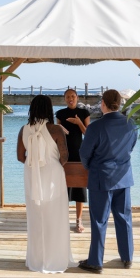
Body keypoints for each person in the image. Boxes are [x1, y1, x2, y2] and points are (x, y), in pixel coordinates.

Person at [77, 89, 137, 274]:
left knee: (99, 220)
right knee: (124, 218)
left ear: (103, 103)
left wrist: (90, 167)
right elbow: (131, 148)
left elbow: (84, 154)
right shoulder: (131, 125)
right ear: (119, 103)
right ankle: (127, 257)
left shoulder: (96, 127)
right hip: (123, 177)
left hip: (101, 177)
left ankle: (96, 261)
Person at [16, 95, 74, 273]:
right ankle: (55, 258)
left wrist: (35, 160)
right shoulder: (56, 129)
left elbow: (20, 157)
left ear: (32, 109)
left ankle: (36, 259)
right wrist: (50, 162)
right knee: (55, 217)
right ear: (49, 109)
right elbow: (65, 157)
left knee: (35, 217)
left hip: (32, 176)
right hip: (53, 177)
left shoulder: (23, 129)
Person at [55, 89, 91, 233]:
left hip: (79, 154)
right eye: (68, 97)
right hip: (63, 154)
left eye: (73, 96)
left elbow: (88, 134)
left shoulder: (84, 113)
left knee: (79, 188)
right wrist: (60, 130)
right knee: (62, 188)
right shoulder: (60, 114)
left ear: (77, 98)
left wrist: (78, 123)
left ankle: (78, 220)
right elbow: (55, 134)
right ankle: (62, 220)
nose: (71, 99)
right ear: (64, 99)